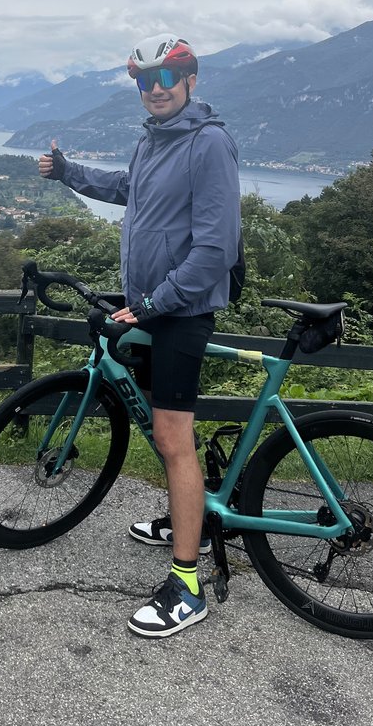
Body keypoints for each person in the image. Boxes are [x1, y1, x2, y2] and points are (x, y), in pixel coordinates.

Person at [38, 36, 240, 638]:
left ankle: (187, 584)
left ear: (190, 80)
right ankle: (196, 520)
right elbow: (128, 190)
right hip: (150, 311)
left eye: (167, 76)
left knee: (173, 438)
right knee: (161, 426)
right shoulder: (153, 142)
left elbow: (214, 252)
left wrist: (152, 304)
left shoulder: (208, 144)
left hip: (177, 312)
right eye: (144, 80)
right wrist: (69, 173)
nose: (155, 88)